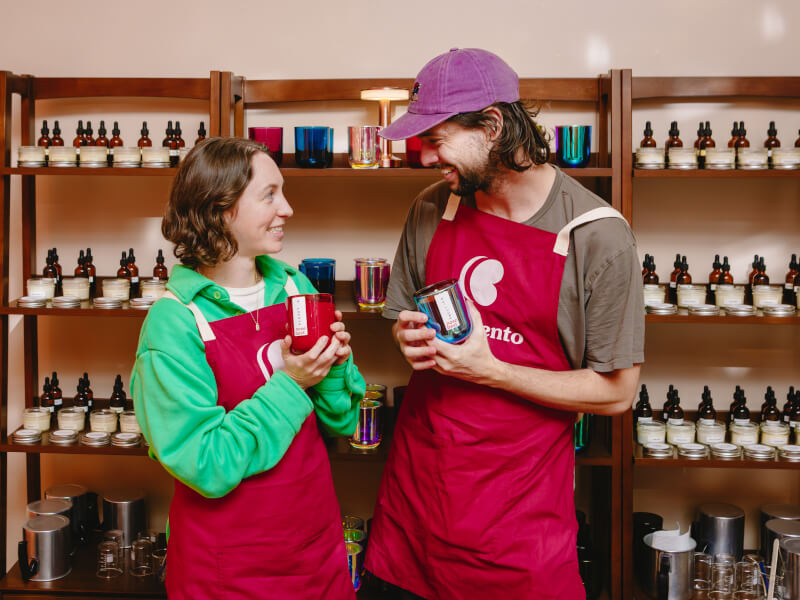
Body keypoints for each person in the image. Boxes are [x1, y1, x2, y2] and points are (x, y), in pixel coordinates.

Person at [364, 48, 644, 599]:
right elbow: (401, 317)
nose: (425, 159)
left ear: (492, 126)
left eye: (435, 140)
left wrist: (490, 369)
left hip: (519, 528)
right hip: (414, 510)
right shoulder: (431, 208)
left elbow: (617, 391)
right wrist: (410, 338)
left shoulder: (596, 235)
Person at [131, 137, 364, 599]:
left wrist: (332, 366)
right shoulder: (176, 321)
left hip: (314, 552)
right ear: (220, 209)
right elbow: (206, 463)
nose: (288, 209)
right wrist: (293, 384)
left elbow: (343, 420)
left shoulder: (294, 285)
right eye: (270, 194)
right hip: (227, 569)